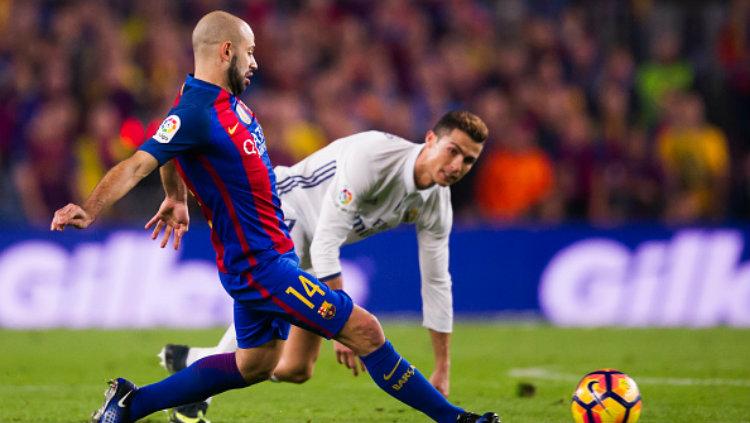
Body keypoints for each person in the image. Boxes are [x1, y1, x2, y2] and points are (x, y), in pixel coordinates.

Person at [50, 11, 499, 423]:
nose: (255, 63)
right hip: (259, 264)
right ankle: (458, 420)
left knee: (257, 363)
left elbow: (169, 152)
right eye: (249, 52)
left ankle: (131, 403)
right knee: (365, 330)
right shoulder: (195, 111)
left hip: (272, 253)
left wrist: (177, 197)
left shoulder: (227, 105)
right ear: (226, 50)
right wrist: (88, 210)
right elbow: (140, 161)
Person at [157, 110, 488, 423]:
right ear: (431, 139)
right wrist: (339, 323)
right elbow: (327, 241)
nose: (457, 165)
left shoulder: (436, 204)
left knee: (297, 369)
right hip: (279, 213)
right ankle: (193, 399)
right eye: (453, 151)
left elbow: (436, 282)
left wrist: (442, 366)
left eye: (469, 160)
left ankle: (196, 360)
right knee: (267, 328)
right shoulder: (375, 156)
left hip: (315, 248)